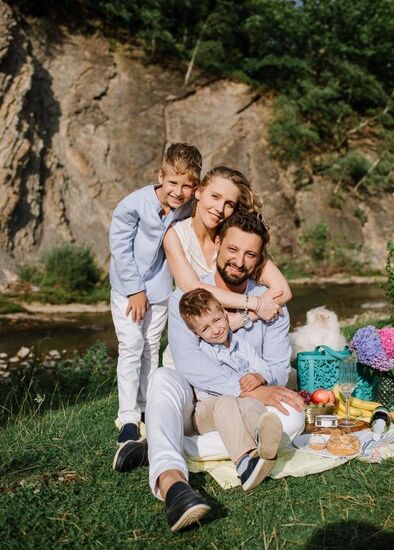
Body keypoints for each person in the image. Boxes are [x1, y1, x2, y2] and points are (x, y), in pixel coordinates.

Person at [113, 212, 305, 532]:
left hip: (246, 407)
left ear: (258, 261)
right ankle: (173, 485)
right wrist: (247, 388)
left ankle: (162, 442)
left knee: (293, 418)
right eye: (232, 249)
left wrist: (263, 382)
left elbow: (278, 367)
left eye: (249, 254)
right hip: (195, 403)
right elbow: (191, 367)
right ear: (217, 245)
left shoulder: (270, 304)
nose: (239, 261)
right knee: (163, 377)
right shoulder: (186, 300)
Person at [109, 142, 202, 445]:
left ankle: (149, 407)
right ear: (160, 176)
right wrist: (135, 290)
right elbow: (120, 250)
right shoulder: (132, 205)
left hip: (161, 289)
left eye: (187, 186)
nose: (178, 191)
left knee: (151, 346)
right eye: (173, 182)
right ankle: (128, 416)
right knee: (132, 344)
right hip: (127, 289)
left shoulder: (188, 207)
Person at [161, 166, 292, 369]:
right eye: (215, 196)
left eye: (229, 203)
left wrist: (243, 318)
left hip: (236, 350)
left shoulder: (235, 240)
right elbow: (193, 288)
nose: (220, 208)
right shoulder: (175, 236)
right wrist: (256, 305)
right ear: (198, 191)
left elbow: (283, 291)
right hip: (193, 348)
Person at [179, 287, 283, 493]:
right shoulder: (202, 352)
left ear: (225, 315)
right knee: (228, 401)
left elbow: (263, 367)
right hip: (207, 411)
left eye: (217, 320)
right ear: (195, 333)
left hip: (240, 404)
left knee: (252, 402)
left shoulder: (241, 345)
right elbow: (207, 390)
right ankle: (244, 464)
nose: (215, 330)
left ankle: (263, 441)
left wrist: (259, 376)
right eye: (205, 329)